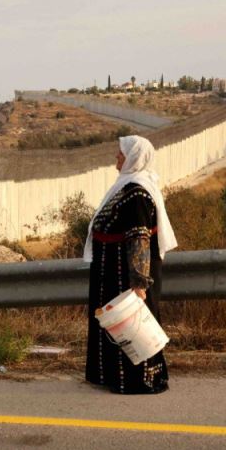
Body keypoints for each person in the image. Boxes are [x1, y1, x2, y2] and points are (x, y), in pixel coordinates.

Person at [83, 135, 177, 394]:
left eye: (121, 154)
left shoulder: (137, 193)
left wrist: (138, 283)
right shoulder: (125, 187)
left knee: (131, 325)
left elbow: (139, 239)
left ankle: (138, 381)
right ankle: (109, 376)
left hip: (125, 274)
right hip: (110, 271)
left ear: (133, 158)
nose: (117, 157)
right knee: (113, 324)